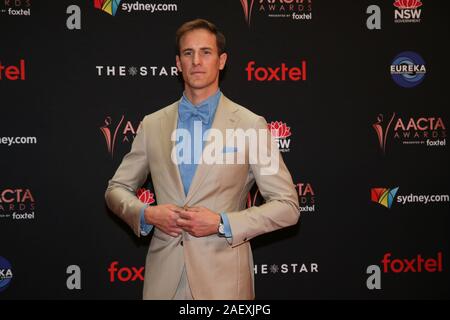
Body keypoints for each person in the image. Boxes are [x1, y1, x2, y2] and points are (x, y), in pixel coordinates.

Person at [105, 18, 299, 300]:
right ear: (177, 63)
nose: (196, 60)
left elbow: (288, 206)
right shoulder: (153, 125)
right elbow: (116, 189)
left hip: (224, 282)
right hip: (163, 281)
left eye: (205, 52)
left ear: (221, 61)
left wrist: (223, 223)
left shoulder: (250, 125)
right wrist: (147, 214)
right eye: (188, 53)